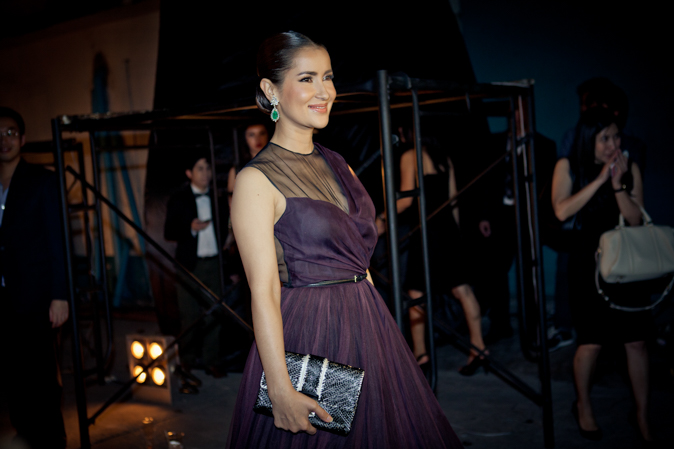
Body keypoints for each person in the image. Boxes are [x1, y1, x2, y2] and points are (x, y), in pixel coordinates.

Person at [226, 32, 462, 448]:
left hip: (368, 323)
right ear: (271, 90)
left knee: (383, 434)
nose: (324, 91)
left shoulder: (338, 164)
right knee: (325, 439)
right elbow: (263, 291)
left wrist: (383, 333)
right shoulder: (255, 180)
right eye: (307, 79)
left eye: (328, 77)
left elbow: (358, 258)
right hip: (313, 330)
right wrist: (280, 389)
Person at [551, 108, 652, 443]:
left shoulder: (629, 167)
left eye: (616, 136)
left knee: (636, 340)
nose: (613, 144)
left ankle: (642, 415)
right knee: (591, 342)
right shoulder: (568, 165)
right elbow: (561, 210)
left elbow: (636, 220)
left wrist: (618, 185)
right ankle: (583, 404)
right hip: (588, 264)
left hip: (626, 262)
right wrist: (598, 181)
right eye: (604, 138)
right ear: (588, 140)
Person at [380, 141, 486, 375]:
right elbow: (453, 200)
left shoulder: (411, 155)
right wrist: (456, 234)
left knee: (416, 294)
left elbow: (406, 200)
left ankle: (421, 355)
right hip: (448, 229)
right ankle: (479, 347)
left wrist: (381, 219)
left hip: (427, 232)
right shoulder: (443, 157)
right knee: (463, 290)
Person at [0, 107, 68, 448]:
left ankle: (51, 439)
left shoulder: (42, 180)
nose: (4, 140)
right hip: (2, 296)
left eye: (10, 132)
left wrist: (60, 295)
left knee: (40, 373)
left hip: (35, 295)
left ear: (22, 139)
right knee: (11, 372)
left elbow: (58, 240)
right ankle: (24, 433)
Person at [164, 151, 229, 389]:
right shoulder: (179, 199)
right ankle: (188, 361)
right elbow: (169, 231)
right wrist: (190, 227)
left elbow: (225, 228)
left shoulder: (217, 198)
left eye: (208, 168)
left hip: (214, 263)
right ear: (189, 173)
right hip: (189, 266)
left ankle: (212, 360)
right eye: (200, 168)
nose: (206, 173)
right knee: (189, 315)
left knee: (216, 313)